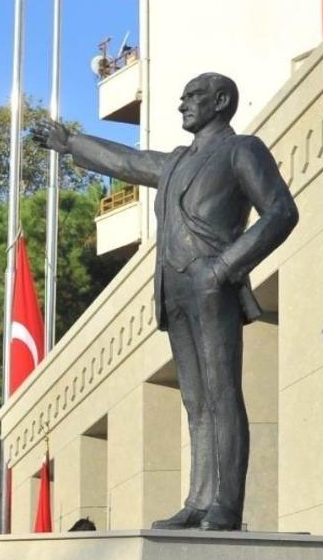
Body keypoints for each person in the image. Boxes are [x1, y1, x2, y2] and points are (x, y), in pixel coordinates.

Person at [33, 72, 298, 531]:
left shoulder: (242, 150)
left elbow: (281, 212)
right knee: (196, 401)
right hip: (173, 288)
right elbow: (128, 161)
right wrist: (71, 142)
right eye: (182, 97)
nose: (182, 105)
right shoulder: (177, 161)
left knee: (222, 394)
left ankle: (226, 504)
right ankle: (199, 499)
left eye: (192, 97)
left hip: (212, 281)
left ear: (221, 101)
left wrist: (226, 266)